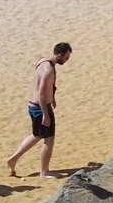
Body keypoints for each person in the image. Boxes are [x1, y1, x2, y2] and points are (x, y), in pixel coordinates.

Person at [6, 43, 72, 179]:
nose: (67, 60)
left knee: (37, 135)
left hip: (33, 106)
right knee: (49, 139)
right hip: (41, 108)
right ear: (59, 55)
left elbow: (46, 86)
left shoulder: (42, 61)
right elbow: (41, 93)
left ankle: (13, 159)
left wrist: (52, 98)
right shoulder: (48, 69)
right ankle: (44, 172)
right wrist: (46, 114)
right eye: (66, 57)